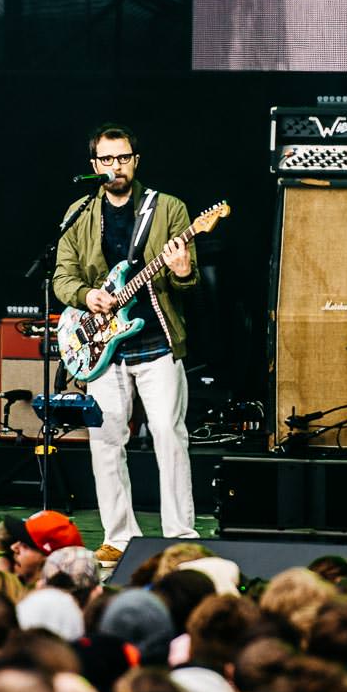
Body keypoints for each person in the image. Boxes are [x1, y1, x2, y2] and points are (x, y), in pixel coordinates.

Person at [53, 123, 199, 566]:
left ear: (136, 160)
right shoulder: (80, 213)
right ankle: (118, 535)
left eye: (123, 158)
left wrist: (181, 267)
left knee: (169, 438)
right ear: (93, 165)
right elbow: (63, 275)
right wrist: (86, 296)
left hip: (156, 342)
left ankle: (181, 534)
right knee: (105, 439)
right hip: (101, 347)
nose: (115, 166)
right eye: (107, 159)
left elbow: (187, 282)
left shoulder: (169, 208)